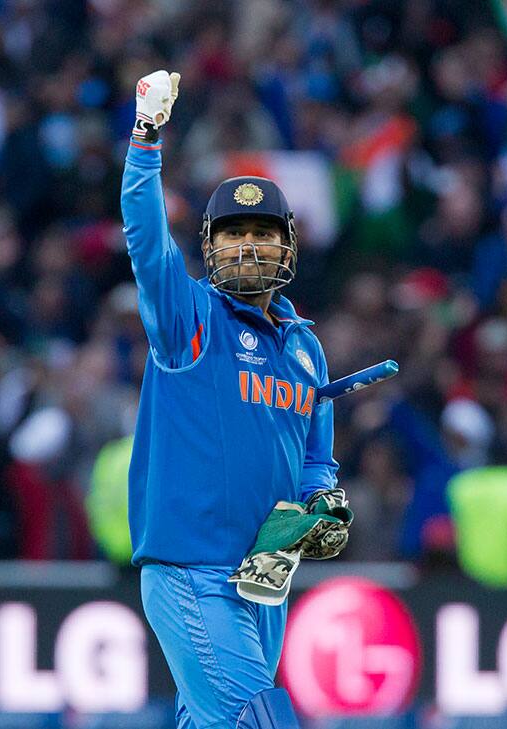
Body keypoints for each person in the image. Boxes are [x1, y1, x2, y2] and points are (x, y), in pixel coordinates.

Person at [121, 70, 343, 729]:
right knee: (260, 719)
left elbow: (316, 463)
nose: (249, 245)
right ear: (210, 247)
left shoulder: (306, 349)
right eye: (233, 233)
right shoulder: (188, 316)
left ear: (288, 245)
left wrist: (323, 507)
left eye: (263, 232)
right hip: (192, 570)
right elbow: (144, 240)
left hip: (265, 580)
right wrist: (145, 137)